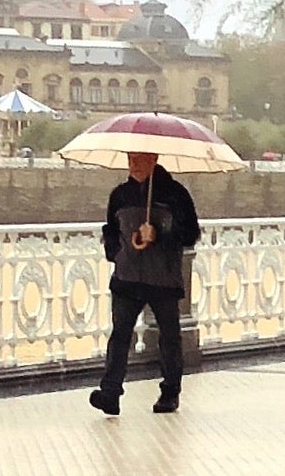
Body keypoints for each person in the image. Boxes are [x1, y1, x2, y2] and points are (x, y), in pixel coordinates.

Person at [89, 151, 201, 416]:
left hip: (162, 278)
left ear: (154, 159)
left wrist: (160, 233)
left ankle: (170, 392)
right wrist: (116, 253)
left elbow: (190, 234)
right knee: (120, 336)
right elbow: (111, 231)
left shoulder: (175, 194)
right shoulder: (120, 195)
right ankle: (110, 392)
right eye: (131, 160)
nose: (135, 165)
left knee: (169, 337)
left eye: (141, 160)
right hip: (127, 278)